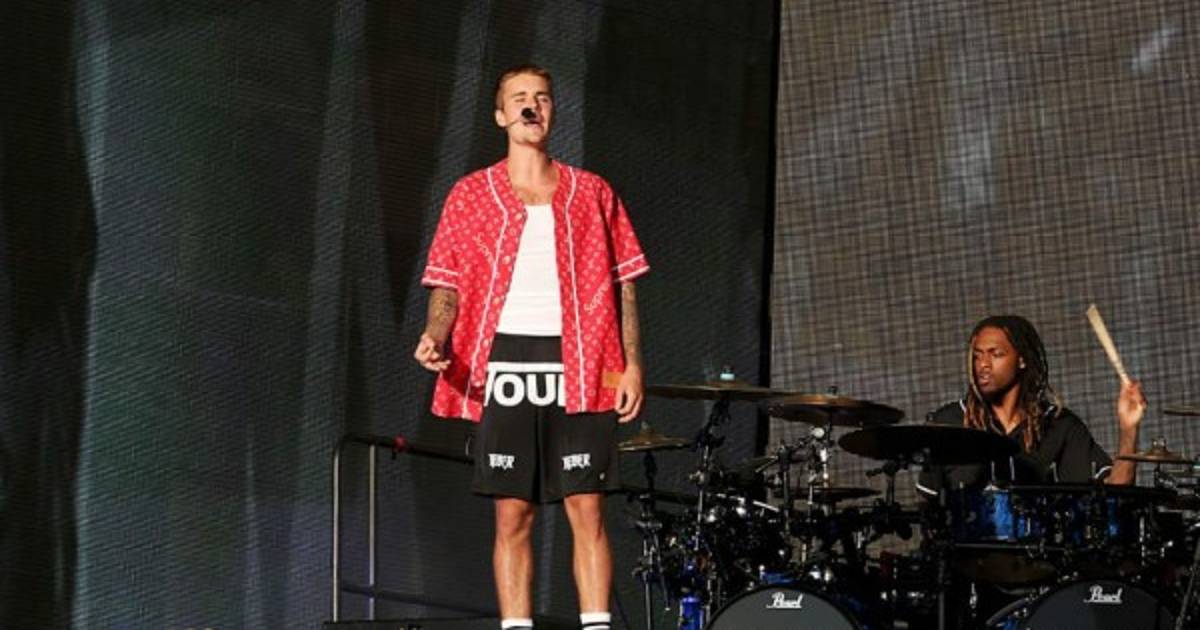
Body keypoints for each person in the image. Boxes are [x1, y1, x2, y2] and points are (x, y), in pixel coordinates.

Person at [414, 64, 648, 630]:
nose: (531, 106)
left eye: (541, 98)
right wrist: (435, 336)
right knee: (512, 514)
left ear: (552, 112)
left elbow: (625, 283)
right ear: (501, 115)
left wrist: (633, 364)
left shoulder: (592, 192)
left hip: (583, 360)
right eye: (519, 98)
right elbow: (447, 284)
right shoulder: (470, 194)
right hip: (505, 361)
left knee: (586, 507)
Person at [917, 314, 1146, 496]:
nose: (982, 364)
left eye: (996, 354)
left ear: (1022, 360)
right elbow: (928, 508)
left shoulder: (1058, 425)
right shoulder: (948, 423)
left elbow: (1115, 492)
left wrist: (1129, 428)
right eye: (977, 356)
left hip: (1040, 543)